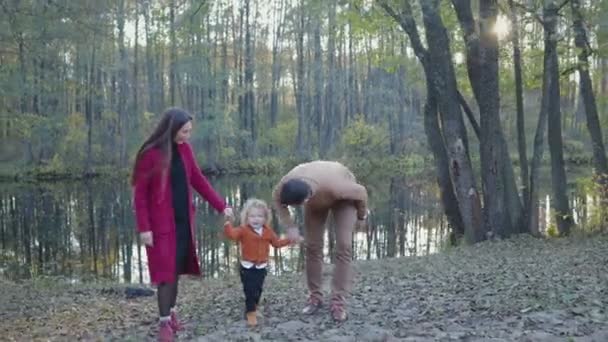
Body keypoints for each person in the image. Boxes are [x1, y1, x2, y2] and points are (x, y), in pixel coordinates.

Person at [132, 107, 233, 341]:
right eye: (185, 131)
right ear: (173, 128)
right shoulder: (151, 154)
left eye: (189, 131)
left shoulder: (185, 150)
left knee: (175, 271)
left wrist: (221, 205)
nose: (188, 135)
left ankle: (172, 313)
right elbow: (140, 195)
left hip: (183, 223)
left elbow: (198, 179)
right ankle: (164, 324)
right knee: (165, 275)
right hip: (159, 226)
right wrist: (144, 228)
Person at [272, 161, 368, 322]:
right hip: (317, 195)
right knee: (313, 247)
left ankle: (338, 302)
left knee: (344, 246)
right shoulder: (286, 182)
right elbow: (277, 201)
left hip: (343, 196)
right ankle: (315, 297)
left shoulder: (338, 187)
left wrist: (362, 216)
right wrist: (290, 226)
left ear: (306, 198)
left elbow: (361, 192)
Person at [223, 198, 294, 326]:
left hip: (261, 266)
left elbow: (277, 243)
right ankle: (250, 312)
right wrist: (228, 222)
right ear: (247, 217)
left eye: (260, 216)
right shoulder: (243, 230)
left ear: (265, 218)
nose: (256, 219)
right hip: (247, 267)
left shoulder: (268, 231)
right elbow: (231, 235)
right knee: (249, 290)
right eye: (252, 216)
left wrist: (289, 239)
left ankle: (253, 307)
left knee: (258, 290)